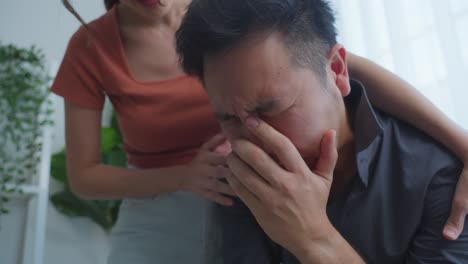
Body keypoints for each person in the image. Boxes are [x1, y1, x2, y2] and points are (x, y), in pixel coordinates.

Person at [52, 0, 468, 263]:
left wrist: (462, 144)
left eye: (268, 109)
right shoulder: (90, 48)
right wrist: (186, 176)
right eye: (228, 117)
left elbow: (338, 65)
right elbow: (83, 175)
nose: (254, 133)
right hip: (178, 194)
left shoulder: (241, 17)